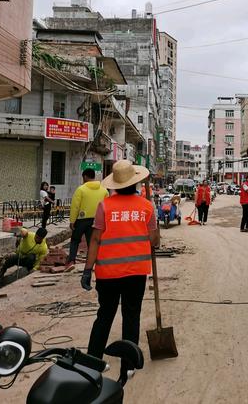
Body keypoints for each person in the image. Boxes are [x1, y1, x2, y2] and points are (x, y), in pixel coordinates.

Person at [81, 160, 159, 380]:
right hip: (136, 273)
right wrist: (154, 231)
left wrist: (88, 270)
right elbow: (154, 241)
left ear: (115, 184)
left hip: (107, 275)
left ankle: (92, 361)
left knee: (104, 316)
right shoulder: (146, 206)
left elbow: (95, 239)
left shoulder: (104, 206)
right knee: (131, 316)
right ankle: (129, 365)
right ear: (135, 183)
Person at [68, 169, 109, 265]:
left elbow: (75, 206)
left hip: (81, 220)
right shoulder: (104, 191)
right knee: (92, 242)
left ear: (85, 177)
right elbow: (107, 206)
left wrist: (72, 221)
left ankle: (71, 260)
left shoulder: (81, 189)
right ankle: (92, 260)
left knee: (75, 240)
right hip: (96, 221)